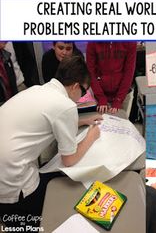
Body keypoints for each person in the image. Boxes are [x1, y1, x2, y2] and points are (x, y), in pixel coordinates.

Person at [0, 56, 102, 229]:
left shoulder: (37, 90)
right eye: (84, 92)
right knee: (68, 190)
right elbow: (69, 160)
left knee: (50, 168)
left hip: (5, 174)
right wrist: (91, 136)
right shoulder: (65, 106)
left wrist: (80, 122)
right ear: (76, 86)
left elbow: (46, 119)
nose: (82, 97)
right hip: (12, 189)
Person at [86, 42, 137, 115]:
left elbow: (129, 72)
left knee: (121, 123)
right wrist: (101, 97)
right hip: (99, 93)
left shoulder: (130, 42)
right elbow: (90, 72)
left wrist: (119, 99)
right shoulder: (92, 43)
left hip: (123, 94)